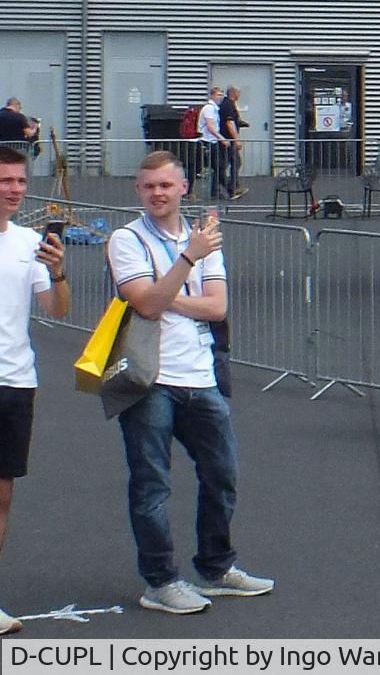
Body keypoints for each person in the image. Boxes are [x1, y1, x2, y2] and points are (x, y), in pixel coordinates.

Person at [108, 150, 273, 615]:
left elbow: (217, 307)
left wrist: (166, 291)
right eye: (148, 186)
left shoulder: (203, 240)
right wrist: (185, 264)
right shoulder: (128, 240)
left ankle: (215, 567)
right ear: (138, 190)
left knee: (222, 475)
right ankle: (160, 581)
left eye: (166, 185)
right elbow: (145, 305)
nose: (157, 194)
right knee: (151, 484)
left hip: (201, 377)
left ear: (183, 188)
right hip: (149, 379)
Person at [0, 146, 69, 634]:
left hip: (15, 381)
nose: (14, 189)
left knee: (1, 496)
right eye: (5, 180)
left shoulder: (29, 241)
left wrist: (59, 268)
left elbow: (56, 308)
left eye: (21, 181)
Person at [196, 88, 229, 202]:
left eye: (222, 95)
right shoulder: (209, 109)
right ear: (212, 96)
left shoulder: (214, 109)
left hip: (213, 141)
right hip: (208, 141)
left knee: (219, 167)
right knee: (218, 166)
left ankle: (217, 191)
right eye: (218, 95)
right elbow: (210, 127)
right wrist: (222, 138)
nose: (221, 97)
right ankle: (228, 189)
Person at [217, 87, 248, 202]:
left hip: (226, 140)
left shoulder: (227, 104)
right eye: (238, 93)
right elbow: (229, 123)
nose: (239, 96)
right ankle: (232, 188)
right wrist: (236, 140)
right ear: (233, 94)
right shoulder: (229, 105)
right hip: (228, 141)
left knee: (225, 164)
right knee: (234, 163)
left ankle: (230, 187)